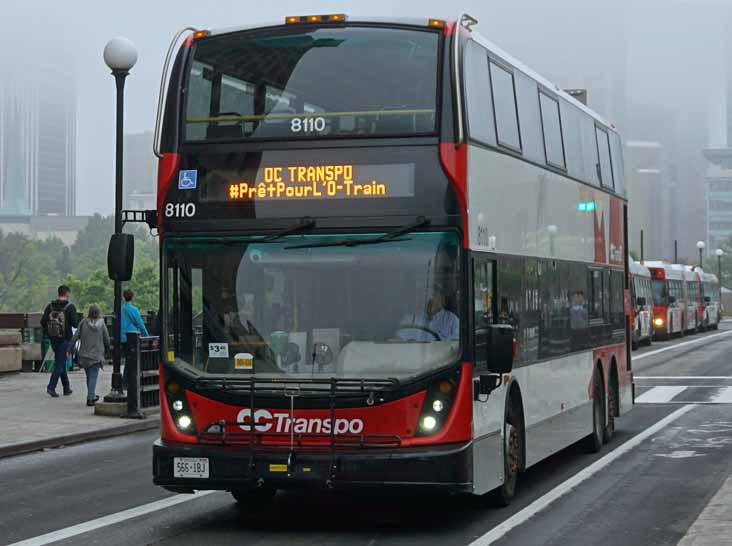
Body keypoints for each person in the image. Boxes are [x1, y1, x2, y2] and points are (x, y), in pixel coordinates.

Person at [41, 285, 80, 397]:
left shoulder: (50, 306)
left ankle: (66, 388)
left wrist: (49, 331)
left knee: (60, 361)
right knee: (60, 363)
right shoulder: (70, 306)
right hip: (65, 339)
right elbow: (75, 323)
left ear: (59, 293)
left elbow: (43, 321)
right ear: (67, 294)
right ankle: (51, 387)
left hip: (53, 338)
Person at [71, 305, 110, 406]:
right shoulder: (102, 323)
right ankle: (90, 398)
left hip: (83, 355)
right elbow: (106, 338)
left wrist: (70, 348)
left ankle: (91, 394)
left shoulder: (83, 322)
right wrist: (108, 348)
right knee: (93, 377)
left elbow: (75, 336)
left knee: (89, 376)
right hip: (96, 355)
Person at [121, 289, 149, 389]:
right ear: (132, 297)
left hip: (122, 338)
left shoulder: (121, 309)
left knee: (128, 360)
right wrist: (146, 335)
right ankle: (127, 382)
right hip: (132, 337)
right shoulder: (134, 309)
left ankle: (125, 381)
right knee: (131, 361)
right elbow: (140, 324)